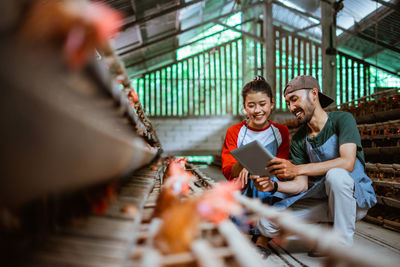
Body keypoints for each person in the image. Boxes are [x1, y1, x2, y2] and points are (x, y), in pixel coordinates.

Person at [252, 75, 376, 251]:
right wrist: (273, 186)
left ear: (314, 94)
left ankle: (342, 250)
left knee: (336, 175)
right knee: (266, 223)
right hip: (323, 201)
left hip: (354, 199)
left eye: (294, 99)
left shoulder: (342, 120)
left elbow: (347, 162)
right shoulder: (299, 140)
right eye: (288, 103)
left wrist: (296, 169)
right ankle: (325, 231)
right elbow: (301, 186)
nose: (291, 107)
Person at [221, 75, 290, 257]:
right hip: (243, 189)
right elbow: (228, 170)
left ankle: (262, 240)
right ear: (244, 107)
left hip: (269, 190)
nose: (257, 110)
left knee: (263, 178)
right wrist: (244, 164)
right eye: (251, 105)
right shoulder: (235, 132)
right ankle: (242, 234)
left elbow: (282, 170)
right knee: (242, 183)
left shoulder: (280, 132)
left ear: (272, 103)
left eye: (262, 104)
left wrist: (258, 168)